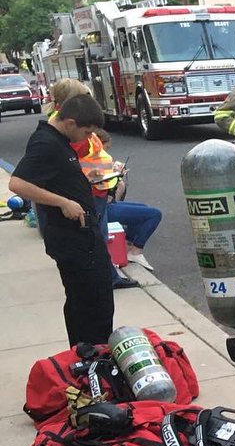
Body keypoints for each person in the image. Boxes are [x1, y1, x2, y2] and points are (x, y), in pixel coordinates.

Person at [9, 94, 113, 346]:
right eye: (87, 132)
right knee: (89, 303)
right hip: (72, 237)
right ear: (69, 122)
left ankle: (91, 353)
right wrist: (63, 202)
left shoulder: (60, 141)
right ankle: (89, 355)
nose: (89, 138)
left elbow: (56, 178)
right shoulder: (46, 143)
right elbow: (17, 183)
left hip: (83, 234)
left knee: (95, 300)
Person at [76, 129, 137, 290]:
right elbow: (78, 164)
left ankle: (108, 276)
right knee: (98, 238)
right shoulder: (82, 138)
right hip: (94, 191)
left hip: (99, 189)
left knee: (99, 237)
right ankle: (108, 277)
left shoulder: (89, 137)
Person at [94, 130, 161, 272]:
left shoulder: (93, 159)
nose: (108, 152)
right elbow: (105, 188)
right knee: (154, 214)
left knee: (143, 207)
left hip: (103, 205)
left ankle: (127, 244)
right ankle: (136, 251)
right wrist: (115, 175)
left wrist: (116, 174)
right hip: (102, 207)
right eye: (107, 148)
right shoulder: (96, 160)